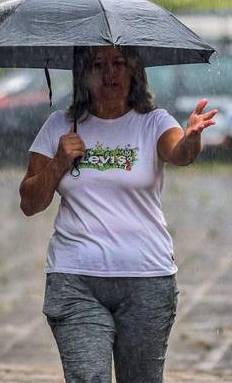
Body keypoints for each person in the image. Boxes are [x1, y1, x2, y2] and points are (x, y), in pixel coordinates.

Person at [19, 46, 217, 383]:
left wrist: (192, 138)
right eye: (98, 65)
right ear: (84, 73)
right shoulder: (59, 126)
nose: (110, 73)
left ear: (134, 71)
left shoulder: (154, 122)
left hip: (146, 280)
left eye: (118, 64)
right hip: (75, 279)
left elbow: (179, 152)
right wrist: (58, 163)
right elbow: (29, 202)